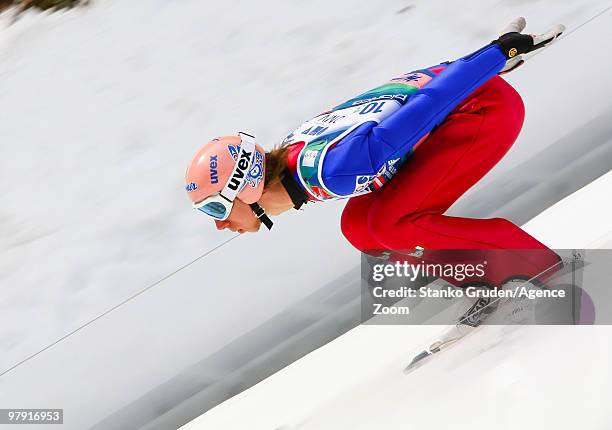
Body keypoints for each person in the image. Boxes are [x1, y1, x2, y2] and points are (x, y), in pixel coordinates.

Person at [184, 17, 566, 290]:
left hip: (483, 111)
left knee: (390, 224)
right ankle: (489, 278)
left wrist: (495, 57)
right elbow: (391, 94)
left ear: (246, 187)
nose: (219, 224)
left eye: (215, 209)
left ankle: (532, 264)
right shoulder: (298, 149)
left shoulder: (334, 169)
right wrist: (480, 61)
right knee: (359, 226)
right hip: (465, 99)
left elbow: (423, 106)